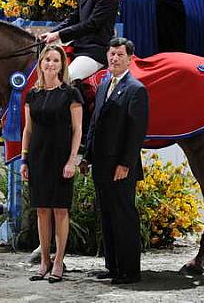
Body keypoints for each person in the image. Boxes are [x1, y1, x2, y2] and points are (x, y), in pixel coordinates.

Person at [81, 37, 149, 285]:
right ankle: (112, 266)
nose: (114, 58)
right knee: (107, 215)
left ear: (130, 58)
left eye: (120, 54)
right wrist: (86, 157)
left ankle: (130, 270)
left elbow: (136, 133)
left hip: (121, 167)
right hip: (100, 164)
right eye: (111, 54)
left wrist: (125, 164)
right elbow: (95, 126)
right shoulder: (103, 86)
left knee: (124, 216)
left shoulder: (136, 89)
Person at [20, 44, 83, 283]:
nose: (50, 64)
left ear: (61, 65)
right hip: (37, 158)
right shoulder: (32, 95)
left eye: (55, 60)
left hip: (61, 159)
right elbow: (28, 129)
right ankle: (44, 260)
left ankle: (58, 261)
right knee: (42, 209)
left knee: (60, 209)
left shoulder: (71, 93)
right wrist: (24, 158)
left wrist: (71, 160)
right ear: (41, 63)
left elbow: (77, 130)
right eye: (47, 60)